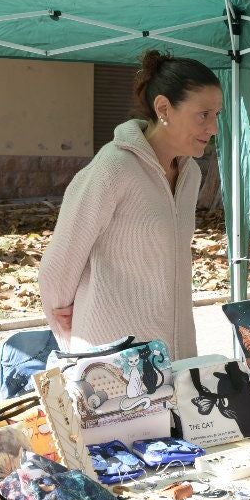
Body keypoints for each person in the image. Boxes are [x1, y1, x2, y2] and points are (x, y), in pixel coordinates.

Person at [37, 51, 221, 359]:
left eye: (217, 115)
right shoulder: (114, 167)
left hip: (175, 350)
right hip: (114, 354)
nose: (213, 127)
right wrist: (65, 323)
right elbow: (62, 260)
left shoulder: (190, 175)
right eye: (204, 114)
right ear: (164, 108)